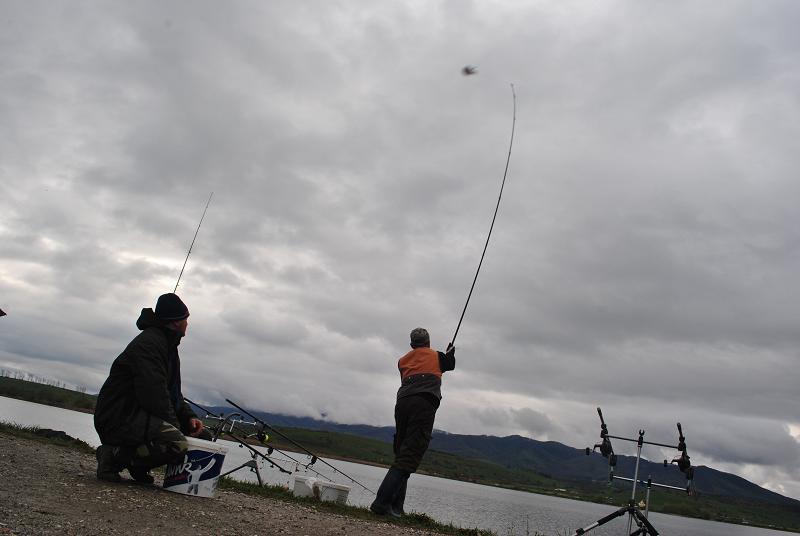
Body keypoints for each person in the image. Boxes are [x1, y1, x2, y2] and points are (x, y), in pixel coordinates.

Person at [93, 293, 208, 483]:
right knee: (176, 442)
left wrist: (189, 417)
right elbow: (154, 395)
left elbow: (173, 392)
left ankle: (138, 465)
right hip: (120, 416)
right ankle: (113, 456)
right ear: (176, 322)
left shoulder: (169, 347)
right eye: (185, 319)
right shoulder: (149, 344)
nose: (187, 323)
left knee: (202, 436)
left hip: (140, 414)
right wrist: (176, 428)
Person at [370, 327, 456, 516]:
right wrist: (450, 353)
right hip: (423, 403)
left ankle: (396, 507)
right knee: (410, 455)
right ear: (428, 342)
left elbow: (420, 368)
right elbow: (449, 364)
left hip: (402, 403)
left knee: (402, 451)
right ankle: (381, 503)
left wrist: (447, 356)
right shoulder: (438, 356)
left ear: (411, 344)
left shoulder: (402, 361)